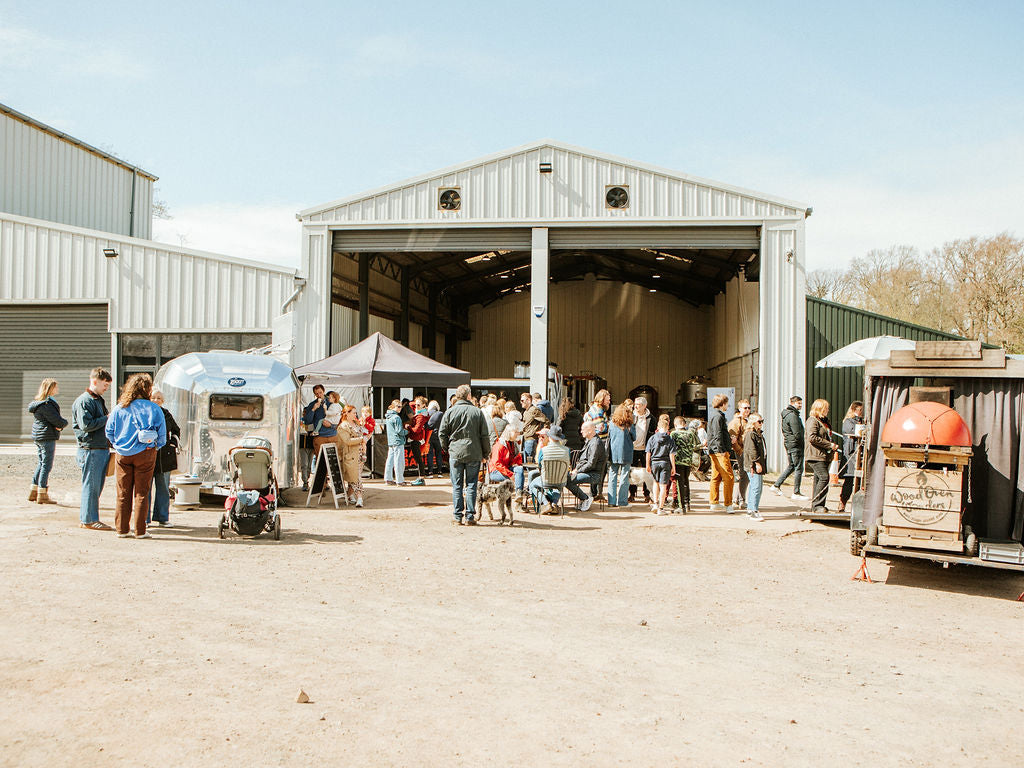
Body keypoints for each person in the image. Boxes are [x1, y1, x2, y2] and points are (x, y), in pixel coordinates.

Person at [105, 374, 166, 539]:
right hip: (146, 453)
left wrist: (117, 445)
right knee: (142, 493)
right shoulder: (154, 408)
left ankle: (122, 530)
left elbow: (109, 431)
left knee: (123, 492)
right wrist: (154, 447)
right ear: (147, 389)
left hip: (123, 454)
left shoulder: (119, 408)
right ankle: (140, 531)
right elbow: (162, 436)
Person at [438, 384, 492, 525]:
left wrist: (447, 448)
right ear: (468, 396)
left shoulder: (450, 412)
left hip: (456, 452)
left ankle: (457, 516)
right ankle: (469, 516)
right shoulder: (477, 412)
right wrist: (486, 453)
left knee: (457, 485)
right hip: (474, 452)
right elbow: (484, 435)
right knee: (471, 484)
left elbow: (442, 433)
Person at [72, 367, 114, 530]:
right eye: (105, 385)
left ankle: (89, 518)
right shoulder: (85, 401)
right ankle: (89, 519)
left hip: (98, 448)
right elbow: (86, 425)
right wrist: (107, 418)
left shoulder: (95, 400)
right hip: (91, 449)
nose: (106, 388)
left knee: (95, 486)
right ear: (95, 381)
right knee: (91, 486)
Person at [27, 378, 67, 505]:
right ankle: (42, 493)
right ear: (50, 388)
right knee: (46, 465)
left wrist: (59, 425)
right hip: (46, 436)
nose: (58, 389)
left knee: (41, 463)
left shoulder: (38, 403)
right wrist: (63, 424)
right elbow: (56, 420)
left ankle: (34, 490)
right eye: (55, 387)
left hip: (39, 436)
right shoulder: (46, 404)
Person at [148, 389, 181, 528]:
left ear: (163, 401)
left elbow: (176, 429)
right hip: (148, 455)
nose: (156, 400)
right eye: (154, 397)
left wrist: (172, 443)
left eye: (159, 398)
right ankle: (144, 519)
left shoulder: (167, 414)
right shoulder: (146, 412)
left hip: (165, 457)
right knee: (145, 489)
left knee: (163, 488)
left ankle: (162, 517)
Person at [805, 399, 839, 513]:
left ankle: (817, 505)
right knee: (824, 477)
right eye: (826, 408)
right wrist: (829, 444)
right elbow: (812, 437)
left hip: (824, 455)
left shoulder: (824, 421)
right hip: (815, 455)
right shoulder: (812, 421)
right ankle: (817, 504)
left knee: (818, 479)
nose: (828, 410)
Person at [565, 421, 606, 512]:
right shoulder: (590, 441)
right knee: (566, 478)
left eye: (583, 430)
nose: (581, 431)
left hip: (593, 474)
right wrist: (576, 469)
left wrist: (577, 471)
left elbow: (591, 464)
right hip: (587, 471)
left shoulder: (595, 443)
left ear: (590, 430)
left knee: (567, 480)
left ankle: (585, 498)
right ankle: (584, 498)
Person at [529, 425, 571, 514]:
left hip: (546, 480)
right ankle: (554, 503)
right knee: (558, 488)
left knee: (532, 485)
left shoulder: (543, 450)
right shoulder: (567, 450)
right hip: (561, 480)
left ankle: (545, 503)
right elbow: (568, 463)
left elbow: (539, 464)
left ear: (550, 437)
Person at [773, 395, 808, 501]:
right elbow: (797, 433)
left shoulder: (788, 414)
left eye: (801, 403)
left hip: (789, 444)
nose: (800, 405)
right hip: (795, 445)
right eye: (799, 403)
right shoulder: (793, 416)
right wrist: (803, 443)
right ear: (793, 403)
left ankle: (776, 485)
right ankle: (796, 492)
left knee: (792, 466)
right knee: (798, 468)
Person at [707, 393, 735, 513]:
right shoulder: (718, 417)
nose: (727, 406)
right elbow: (718, 434)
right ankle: (728, 504)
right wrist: (722, 450)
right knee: (729, 477)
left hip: (714, 450)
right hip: (719, 451)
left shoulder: (715, 416)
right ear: (722, 404)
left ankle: (714, 502)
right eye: (727, 403)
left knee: (716, 476)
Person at [606, 404, 635, 507]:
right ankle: (622, 501)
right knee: (624, 476)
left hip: (614, 453)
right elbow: (634, 437)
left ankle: (611, 501)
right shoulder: (629, 425)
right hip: (626, 452)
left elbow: (609, 437)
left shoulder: (612, 424)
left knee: (612, 476)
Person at [645, 414, 675, 514]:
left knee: (655, 483)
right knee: (663, 486)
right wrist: (673, 467)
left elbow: (648, 452)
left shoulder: (652, 438)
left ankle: (655, 503)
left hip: (654, 463)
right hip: (665, 463)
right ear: (667, 428)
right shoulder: (670, 439)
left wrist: (647, 465)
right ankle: (661, 508)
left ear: (658, 427)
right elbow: (672, 454)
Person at [487, 425, 525, 501]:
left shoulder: (512, 444)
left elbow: (517, 457)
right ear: (509, 433)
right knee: (518, 476)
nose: (518, 434)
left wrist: (517, 462)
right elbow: (497, 464)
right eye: (515, 432)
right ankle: (519, 501)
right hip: (495, 472)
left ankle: (519, 493)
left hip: (506, 468)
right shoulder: (499, 445)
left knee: (520, 469)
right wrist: (510, 474)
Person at [299, 385, 326, 491]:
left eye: (320, 392)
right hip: (309, 441)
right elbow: (308, 420)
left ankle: (325, 482)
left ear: (323, 391)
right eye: (317, 393)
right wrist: (313, 409)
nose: (319, 395)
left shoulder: (331, 402)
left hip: (323, 436)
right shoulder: (312, 405)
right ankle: (306, 482)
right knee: (306, 464)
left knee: (316, 462)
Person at [839, 401, 865, 512]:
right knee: (849, 481)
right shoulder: (848, 422)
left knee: (860, 482)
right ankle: (842, 503)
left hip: (860, 454)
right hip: (851, 454)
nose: (862, 412)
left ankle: (858, 507)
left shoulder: (861, 421)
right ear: (854, 410)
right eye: (860, 410)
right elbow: (854, 432)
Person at [338, 405, 365, 507]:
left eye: (355, 412)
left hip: (360, 455)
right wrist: (361, 439)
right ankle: (359, 498)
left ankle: (348, 495)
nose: (355, 414)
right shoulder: (343, 426)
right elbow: (347, 441)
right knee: (356, 478)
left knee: (353, 478)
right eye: (353, 412)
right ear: (347, 414)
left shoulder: (356, 423)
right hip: (350, 456)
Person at [743, 412, 768, 521]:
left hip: (756, 464)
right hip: (753, 465)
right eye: (759, 421)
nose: (761, 423)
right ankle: (754, 510)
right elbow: (751, 450)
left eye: (762, 421)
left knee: (755, 487)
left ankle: (750, 509)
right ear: (753, 422)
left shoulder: (757, 433)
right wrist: (757, 463)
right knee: (756, 488)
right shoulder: (751, 434)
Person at [630, 397, 655, 503]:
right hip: (632, 448)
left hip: (645, 449)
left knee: (647, 472)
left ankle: (647, 494)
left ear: (645, 405)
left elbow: (653, 433)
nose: (636, 406)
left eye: (638, 404)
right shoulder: (631, 416)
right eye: (635, 404)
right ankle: (631, 494)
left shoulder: (651, 418)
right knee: (632, 472)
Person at [669, 416, 697, 513]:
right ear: (684, 424)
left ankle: (681, 506)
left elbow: (670, 447)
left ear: (675, 424)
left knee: (679, 482)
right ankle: (687, 503)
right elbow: (696, 445)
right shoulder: (690, 433)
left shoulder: (674, 434)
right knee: (686, 481)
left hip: (678, 461)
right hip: (688, 461)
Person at [729, 400, 752, 509]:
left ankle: (737, 499)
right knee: (744, 475)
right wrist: (740, 451)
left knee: (745, 476)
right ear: (739, 409)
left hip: (747, 451)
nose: (747, 410)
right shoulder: (736, 422)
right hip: (742, 452)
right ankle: (740, 500)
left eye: (748, 408)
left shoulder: (748, 420)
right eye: (745, 408)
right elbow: (733, 438)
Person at [405, 396, 429, 486]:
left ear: (423, 405)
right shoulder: (420, 414)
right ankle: (421, 478)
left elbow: (416, 430)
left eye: (418, 405)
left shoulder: (420, 416)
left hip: (416, 439)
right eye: (416, 404)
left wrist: (408, 427)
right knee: (418, 459)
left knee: (418, 459)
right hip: (417, 439)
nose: (416, 406)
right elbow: (410, 404)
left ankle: (421, 478)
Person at [383, 399, 408, 486]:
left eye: (401, 406)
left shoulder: (388, 417)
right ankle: (400, 480)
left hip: (391, 441)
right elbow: (399, 431)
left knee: (390, 460)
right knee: (399, 461)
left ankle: (388, 479)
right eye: (398, 406)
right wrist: (406, 431)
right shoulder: (397, 417)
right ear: (393, 407)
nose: (400, 408)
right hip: (398, 441)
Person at [521, 392, 550, 462]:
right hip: (526, 439)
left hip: (531, 439)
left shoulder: (534, 410)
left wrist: (543, 433)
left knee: (531, 462)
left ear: (528, 400)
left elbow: (546, 420)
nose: (521, 402)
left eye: (522, 400)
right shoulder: (526, 412)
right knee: (527, 461)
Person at [425, 400, 444, 476]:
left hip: (430, 436)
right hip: (439, 436)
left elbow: (427, 426)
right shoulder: (441, 414)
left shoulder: (428, 413)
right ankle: (439, 471)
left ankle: (430, 471)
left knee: (430, 454)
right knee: (438, 454)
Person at [359, 405, 375, 479]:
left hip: (366, 434)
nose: (365, 414)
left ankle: (364, 454)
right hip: (361, 434)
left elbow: (371, 428)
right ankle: (362, 453)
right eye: (363, 412)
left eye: (367, 412)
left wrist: (365, 424)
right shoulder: (360, 419)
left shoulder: (371, 420)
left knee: (363, 442)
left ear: (370, 413)